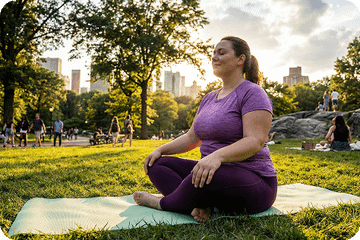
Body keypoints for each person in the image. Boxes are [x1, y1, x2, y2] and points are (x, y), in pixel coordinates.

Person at [133, 36, 277, 222]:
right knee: (158, 164)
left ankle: (161, 203)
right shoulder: (209, 98)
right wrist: (160, 150)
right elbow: (193, 137)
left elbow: (255, 140)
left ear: (240, 59)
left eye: (222, 53)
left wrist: (217, 157)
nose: (214, 57)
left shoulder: (253, 93)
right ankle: (198, 205)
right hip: (211, 171)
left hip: (255, 182)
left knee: (206, 179)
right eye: (213, 53)